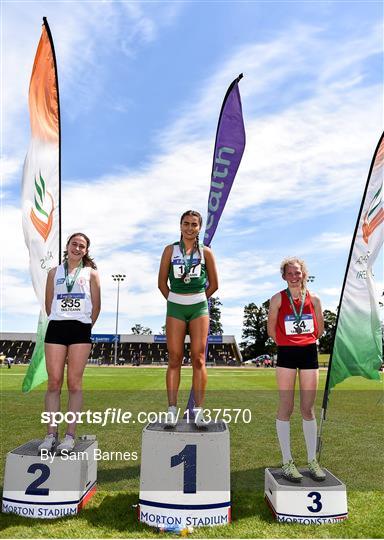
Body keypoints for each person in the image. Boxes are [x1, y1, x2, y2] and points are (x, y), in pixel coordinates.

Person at [38, 232, 101, 453]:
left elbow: (96, 307)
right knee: (54, 382)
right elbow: (49, 304)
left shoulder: (91, 274)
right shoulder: (53, 272)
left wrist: (84, 326)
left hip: (80, 329)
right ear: (67, 246)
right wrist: (61, 318)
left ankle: (69, 436)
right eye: (74, 244)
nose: (77, 248)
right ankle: (50, 435)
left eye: (82, 246)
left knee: (74, 383)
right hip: (56, 327)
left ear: (86, 251)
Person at [267, 257, 326, 482]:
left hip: (309, 352)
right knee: (286, 406)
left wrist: (303, 340)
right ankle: (287, 461)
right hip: (286, 354)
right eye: (290, 273)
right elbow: (271, 328)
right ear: (284, 276)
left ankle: (312, 460)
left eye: (297, 273)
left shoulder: (315, 299)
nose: (294, 276)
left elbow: (319, 329)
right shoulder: (277, 299)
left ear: (304, 274)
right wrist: (287, 341)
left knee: (308, 408)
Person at [158, 210, 218, 428]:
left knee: (198, 358)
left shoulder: (207, 252)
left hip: (199, 307)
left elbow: (214, 284)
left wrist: (197, 299)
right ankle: (172, 409)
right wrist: (176, 300)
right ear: (180, 225)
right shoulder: (170, 250)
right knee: (174, 358)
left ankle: (198, 411)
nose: (190, 228)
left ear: (200, 228)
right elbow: (162, 283)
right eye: (186, 224)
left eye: (194, 224)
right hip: (175, 306)